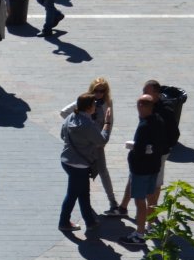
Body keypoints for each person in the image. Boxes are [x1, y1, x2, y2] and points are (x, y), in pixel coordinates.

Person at [119, 95, 173, 247]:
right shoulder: (159, 120)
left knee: (140, 201)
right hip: (154, 167)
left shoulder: (144, 126)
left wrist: (132, 152)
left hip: (141, 170)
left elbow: (140, 150)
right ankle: (151, 225)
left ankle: (139, 234)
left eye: (139, 106)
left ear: (143, 107)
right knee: (151, 197)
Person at [59, 93, 112, 233]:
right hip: (80, 165)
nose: (96, 106)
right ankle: (64, 222)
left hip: (67, 161)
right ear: (89, 108)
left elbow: (62, 135)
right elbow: (102, 141)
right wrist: (107, 123)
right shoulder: (87, 125)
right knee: (72, 194)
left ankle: (90, 221)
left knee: (83, 192)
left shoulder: (70, 117)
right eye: (94, 104)